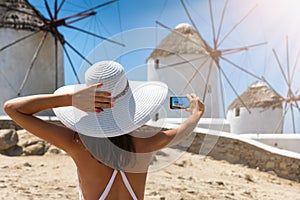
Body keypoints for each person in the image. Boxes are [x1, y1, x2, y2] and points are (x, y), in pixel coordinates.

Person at [4, 61, 205, 200]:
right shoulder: (145, 143)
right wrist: (195, 114)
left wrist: (69, 99)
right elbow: (182, 131)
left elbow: (13, 109)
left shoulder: (77, 143)